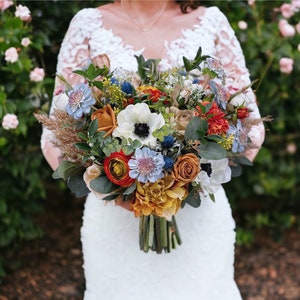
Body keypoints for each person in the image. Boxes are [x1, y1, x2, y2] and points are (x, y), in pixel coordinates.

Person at [41, 0, 265, 299]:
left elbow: (250, 123)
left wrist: (193, 181)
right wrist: (111, 189)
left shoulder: (211, 21)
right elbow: (54, 134)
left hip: (198, 220)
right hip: (115, 218)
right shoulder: (88, 24)